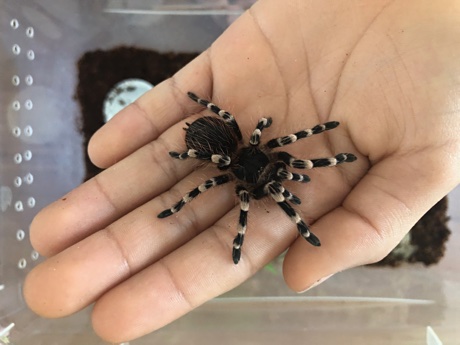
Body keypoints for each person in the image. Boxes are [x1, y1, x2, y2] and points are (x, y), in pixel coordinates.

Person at [24, 0, 460, 342]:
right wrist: (186, 189)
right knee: (248, 176)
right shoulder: (241, 167)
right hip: (214, 145)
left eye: (279, 180)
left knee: (281, 155)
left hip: (225, 145)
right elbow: (239, 201)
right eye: (279, 182)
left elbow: (278, 143)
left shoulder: (261, 147)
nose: (281, 184)